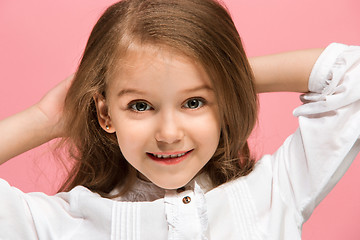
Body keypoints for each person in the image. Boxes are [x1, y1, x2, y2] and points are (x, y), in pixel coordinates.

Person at [0, 0, 359, 239]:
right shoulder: (63, 224)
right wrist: (43, 119)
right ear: (106, 113)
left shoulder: (274, 191)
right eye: (140, 105)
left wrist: (226, 74)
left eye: (194, 101)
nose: (169, 134)